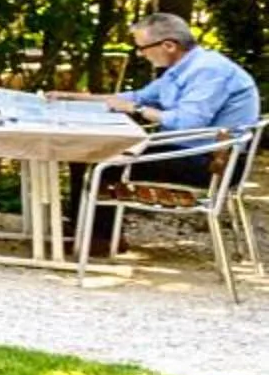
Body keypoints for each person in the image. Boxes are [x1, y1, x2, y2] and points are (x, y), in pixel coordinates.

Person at [86, 13, 260, 252]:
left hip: (213, 163)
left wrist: (137, 109)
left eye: (142, 48)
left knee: (102, 155)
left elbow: (187, 122)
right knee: (96, 150)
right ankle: (88, 231)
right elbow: (136, 97)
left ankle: (98, 239)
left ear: (168, 45)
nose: (141, 54)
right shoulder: (182, 69)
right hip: (192, 151)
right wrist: (77, 99)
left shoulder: (209, 71)